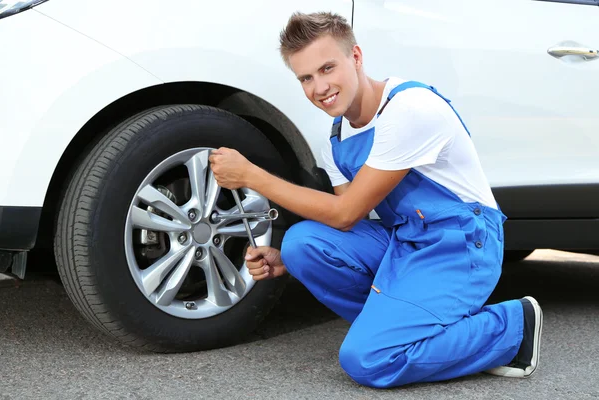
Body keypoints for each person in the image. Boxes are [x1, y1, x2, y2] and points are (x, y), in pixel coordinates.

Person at [208, 11, 543, 388]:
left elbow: (345, 214)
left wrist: (251, 175)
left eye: (327, 68)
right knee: (301, 244)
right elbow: (358, 220)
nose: (320, 87)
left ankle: (511, 329)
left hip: (462, 241)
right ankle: (412, 330)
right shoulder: (335, 140)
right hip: (406, 239)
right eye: (306, 77)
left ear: (356, 57)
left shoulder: (407, 110)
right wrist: (286, 259)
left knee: (367, 361)